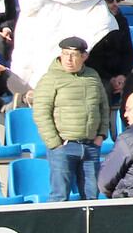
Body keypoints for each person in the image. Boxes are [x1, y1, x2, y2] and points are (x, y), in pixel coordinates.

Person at [33, 37, 110, 201]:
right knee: (59, 196)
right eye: (65, 54)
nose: (68, 59)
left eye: (73, 55)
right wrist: (55, 144)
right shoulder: (50, 78)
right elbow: (41, 112)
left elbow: (103, 106)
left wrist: (101, 135)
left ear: (84, 56)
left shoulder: (92, 76)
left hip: (90, 146)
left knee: (91, 197)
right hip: (64, 146)